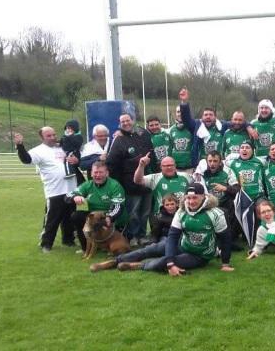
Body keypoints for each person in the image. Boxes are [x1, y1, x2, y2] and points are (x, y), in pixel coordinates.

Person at [91, 183, 233, 275]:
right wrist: (171, 262)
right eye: (188, 198)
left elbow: (225, 239)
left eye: (195, 198)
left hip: (199, 255)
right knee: (151, 249)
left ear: (203, 197)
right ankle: (115, 261)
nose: (191, 201)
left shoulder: (215, 214)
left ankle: (138, 266)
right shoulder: (182, 211)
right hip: (182, 244)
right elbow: (173, 237)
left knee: (164, 262)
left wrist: (225, 263)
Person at [14, 128, 77, 252]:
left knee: (69, 218)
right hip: (54, 191)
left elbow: (75, 153)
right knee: (52, 220)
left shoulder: (62, 147)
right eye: (49, 136)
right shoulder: (39, 151)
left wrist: (76, 160)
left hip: (71, 190)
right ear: (42, 138)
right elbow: (26, 159)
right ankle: (46, 244)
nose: (53, 137)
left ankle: (68, 240)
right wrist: (20, 146)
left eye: (54, 134)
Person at [106, 113, 153, 247]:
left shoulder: (143, 135)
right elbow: (111, 163)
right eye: (123, 121)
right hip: (130, 183)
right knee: (133, 212)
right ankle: (132, 236)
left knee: (145, 212)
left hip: (147, 181)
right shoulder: (119, 140)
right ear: (119, 124)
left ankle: (142, 236)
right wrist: (119, 181)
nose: (126, 123)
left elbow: (152, 153)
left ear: (133, 121)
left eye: (128, 120)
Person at [178, 88, 256, 167]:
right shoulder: (197, 125)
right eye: (206, 115)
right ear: (202, 117)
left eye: (211, 115)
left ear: (215, 117)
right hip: (202, 164)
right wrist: (184, 102)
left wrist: (248, 127)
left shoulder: (222, 125)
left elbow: (238, 122)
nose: (208, 117)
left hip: (218, 164)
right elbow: (186, 119)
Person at [65, 161, 128, 251]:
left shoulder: (115, 186)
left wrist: (110, 217)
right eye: (95, 172)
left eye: (101, 172)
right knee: (76, 216)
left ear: (107, 173)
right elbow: (67, 196)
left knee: (99, 222)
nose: (98, 175)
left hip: (110, 217)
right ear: (91, 173)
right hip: (93, 216)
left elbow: (118, 207)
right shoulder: (87, 185)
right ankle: (85, 248)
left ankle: (104, 243)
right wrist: (75, 197)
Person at [133, 155, 192, 240]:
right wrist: (141, 165)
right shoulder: (155, 178)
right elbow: (137, 180)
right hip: (163, 220)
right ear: (160, 167)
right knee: (164, 242)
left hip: (183, 217)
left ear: (175, 166)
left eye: (171, 165)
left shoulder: (185, 176)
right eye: (165, 166)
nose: (169, 167)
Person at [168, 105, 194, 171]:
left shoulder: (193, 128)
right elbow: (170, 149)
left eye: (183, 112)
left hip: (190, 167)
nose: (180, 114)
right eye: (178, 112)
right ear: (176, 114)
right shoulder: (171, 130)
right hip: (176, 168)